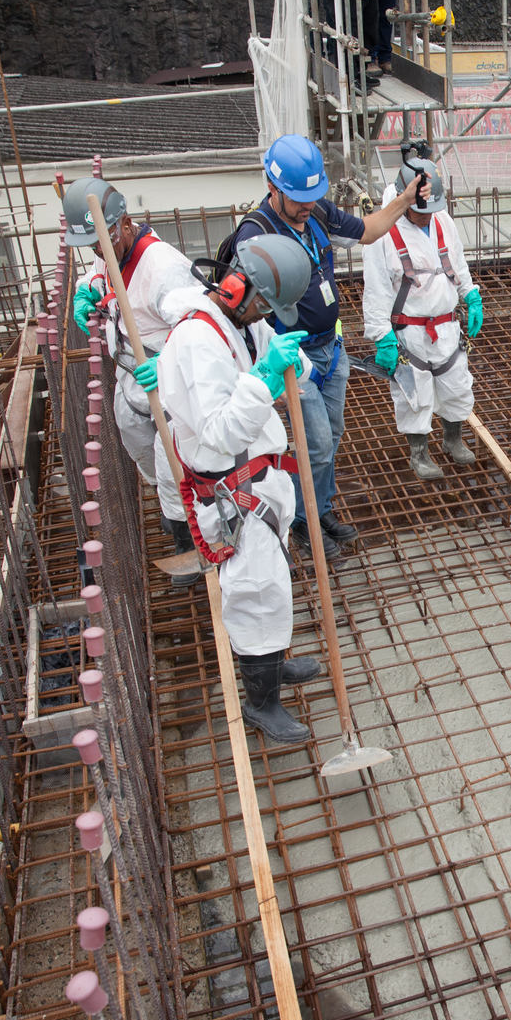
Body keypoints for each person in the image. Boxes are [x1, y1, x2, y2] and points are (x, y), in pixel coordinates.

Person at [138, 234, 326, 743]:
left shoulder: (243, 322)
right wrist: (264, 382)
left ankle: (270, 663)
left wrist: (292, 364)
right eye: (265, 304)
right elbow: (219, 434)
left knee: (272, 587)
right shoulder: (200, 341)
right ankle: (261, 702)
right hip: (233, 495)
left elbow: (295, 371)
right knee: (254, 595)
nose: (268, 316)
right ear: (236, 285)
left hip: (263, 482)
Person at [225, 134, 428, 561]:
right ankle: (301, 520)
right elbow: (239, 306)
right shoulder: (256, 233)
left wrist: (405, 198)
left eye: (311, 196)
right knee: (314, 441)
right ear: (272, 186)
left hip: (330, 348)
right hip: (290, 357)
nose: (305, 205)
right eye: (297, 197)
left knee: (331, 437)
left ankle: (322, 509)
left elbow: (370, 231)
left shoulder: (316, 210)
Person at [64, 177, 201, 587]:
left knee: (174, 467)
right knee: (138, 448)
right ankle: (172, 513)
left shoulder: (164, 269)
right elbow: (96, 274)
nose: (97, 251)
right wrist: (85, 292)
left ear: (124, 223)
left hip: (170, 384)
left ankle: (189, 545)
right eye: (92, 245)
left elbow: (197, 326)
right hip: (131, 374)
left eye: (102, 241)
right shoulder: (110, 252)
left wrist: (169, 364)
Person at [362, 159, 482, 479]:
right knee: (414, 394)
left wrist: (470, 295)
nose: (426, 216)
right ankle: (419, 453)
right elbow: (375, 290)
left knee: (457, 385)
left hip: (445, 323)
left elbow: (456, 261)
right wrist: (382, 336)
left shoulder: (441, 219)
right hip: (409, 328)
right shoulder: (382, 230)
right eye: (419, 210)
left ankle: (452, 439)